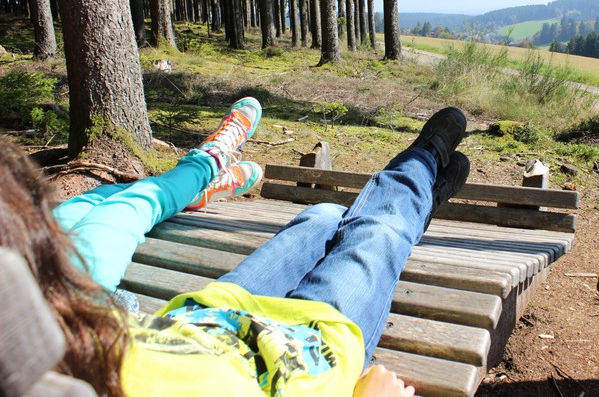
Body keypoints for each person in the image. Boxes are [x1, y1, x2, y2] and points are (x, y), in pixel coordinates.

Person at [0, 99, 470, 397]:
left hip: (210, 317)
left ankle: (412, 206)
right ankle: (421, 166)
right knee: (378, 234)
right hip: (310, 355)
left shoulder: (46, 341)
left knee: (325, 216)